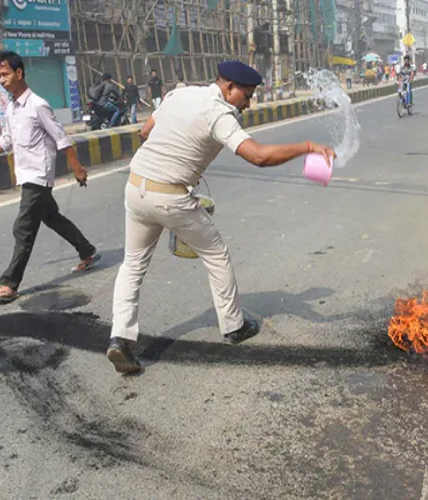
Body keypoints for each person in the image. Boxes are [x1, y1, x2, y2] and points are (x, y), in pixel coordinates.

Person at [106, 60, 337, 373]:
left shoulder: (180, 94)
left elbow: (146, 131)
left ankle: (120, 339)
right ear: (229, 87)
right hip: (172, 196)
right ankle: (234, 327)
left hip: (136, 187)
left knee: (133, 264)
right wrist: (308, 146)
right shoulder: (219, 113)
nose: (248, 102)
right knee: (217, 254)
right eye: (247, 94)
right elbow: (259, 157)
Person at [0, 51, 100, 304]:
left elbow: (61, 137)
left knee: (23, 227)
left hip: (39, 175)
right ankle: (87, 250)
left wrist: (77, 167)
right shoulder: (11, 106)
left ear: (19, 73)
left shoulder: (37, 105)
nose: (2, 80)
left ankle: (10, 283)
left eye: (6, 74)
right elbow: (7, 139)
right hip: (26, 173)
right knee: (51, 217)